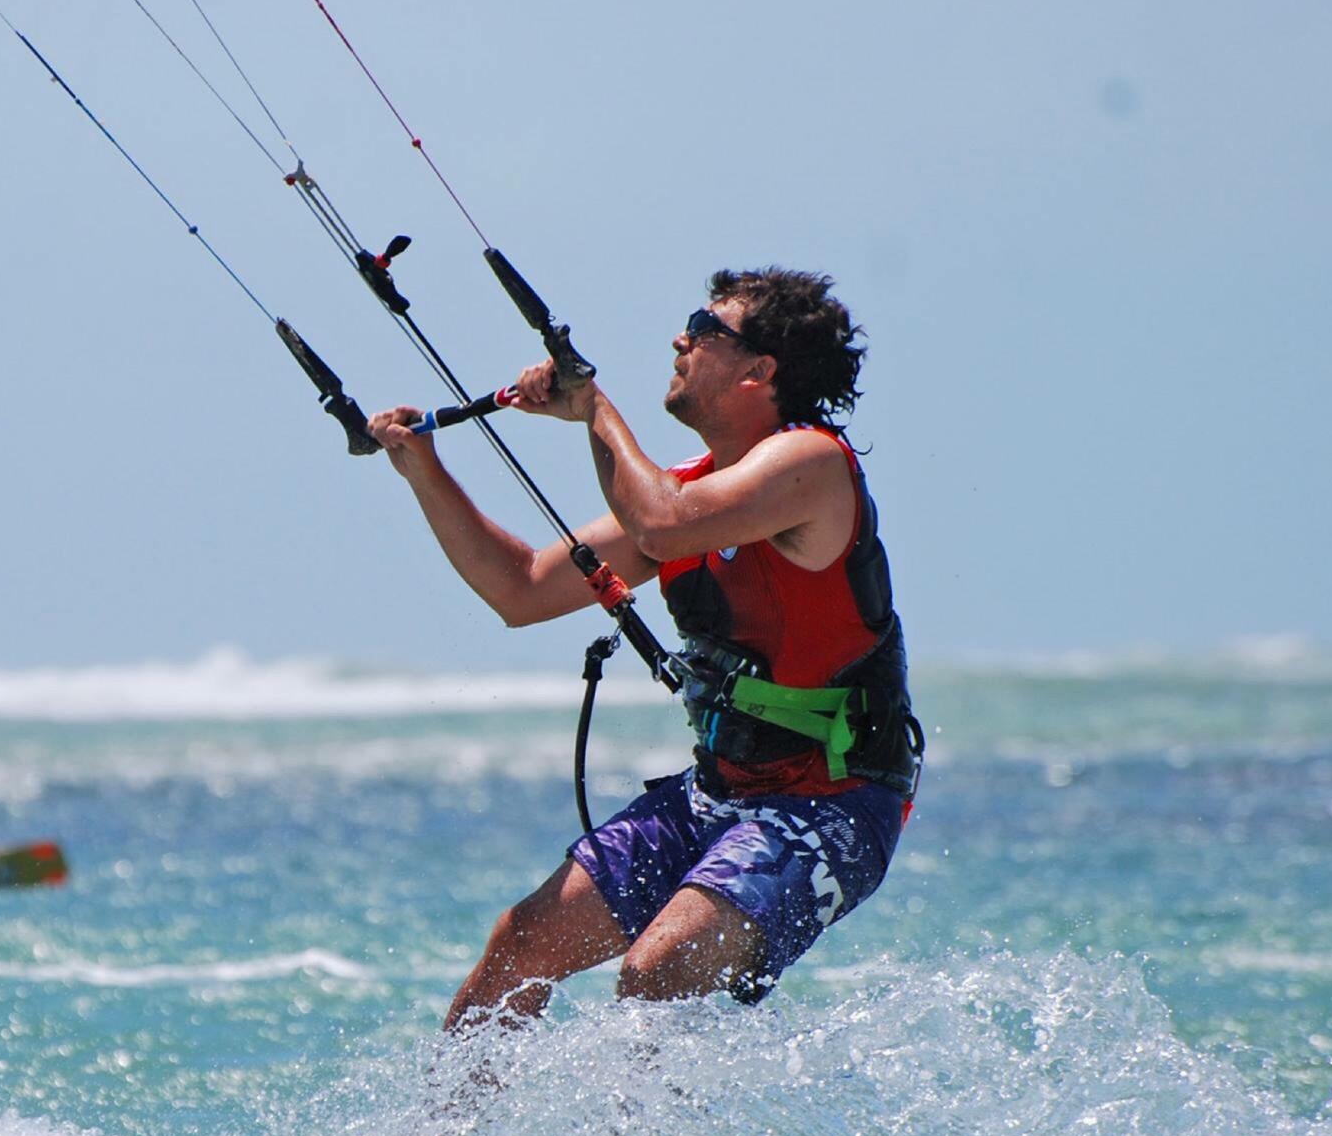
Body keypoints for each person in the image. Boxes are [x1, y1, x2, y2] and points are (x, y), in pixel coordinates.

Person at [364, 266, 921, 1037]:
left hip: (835, 802)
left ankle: (651, 1128)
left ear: (760, 371)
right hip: (716, 794)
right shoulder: (688, 493)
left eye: (705, 328)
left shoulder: (812, 465)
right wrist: (424, 471)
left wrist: (592, 408)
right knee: (520, 946)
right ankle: (438, 1126)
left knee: (658, 968)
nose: (680, 340)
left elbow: (663, 522)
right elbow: (520, 590)